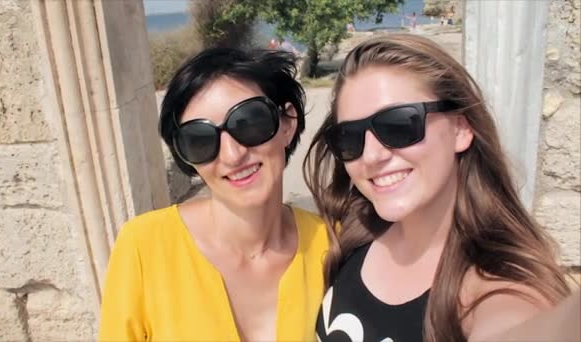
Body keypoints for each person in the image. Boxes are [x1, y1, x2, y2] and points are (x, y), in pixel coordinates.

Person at [304, 34, 572, 341]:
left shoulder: (495, 288)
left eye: (399, 125)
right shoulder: (354, 234)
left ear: (461, 128)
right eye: (350, 137)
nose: (372, 155)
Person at [99, 48, 329, 341]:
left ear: (287, 123)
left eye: (249, 121)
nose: (233, 155)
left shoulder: (330, 246)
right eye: (200, 139)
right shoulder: (144, 248)